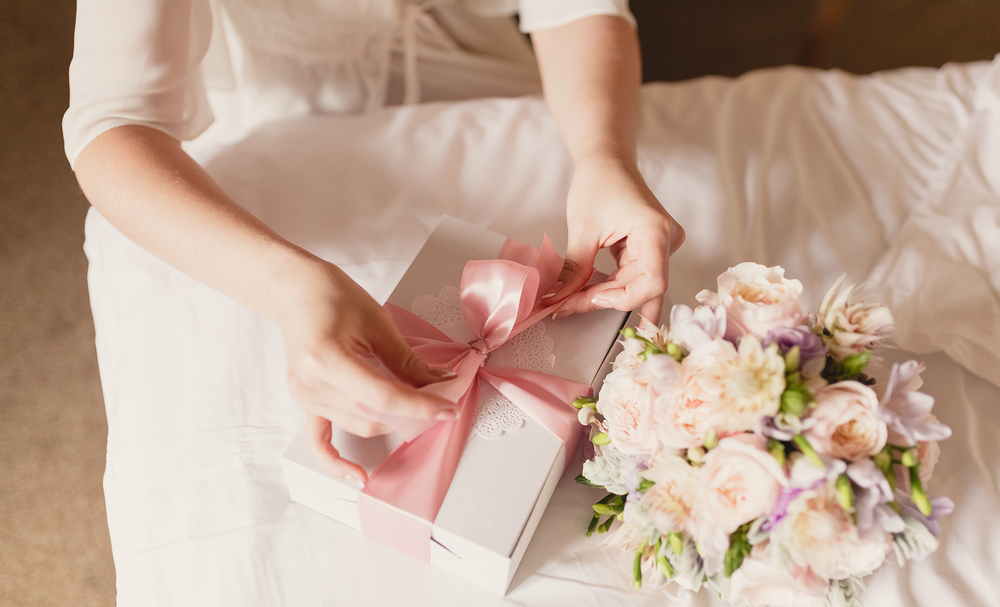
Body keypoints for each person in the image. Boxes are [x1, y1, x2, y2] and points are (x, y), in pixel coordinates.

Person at [64, 0, 684, 483]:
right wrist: (289, 286)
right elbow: (111, 121)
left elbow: (572, 9)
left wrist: (605, 157)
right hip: (281, 144)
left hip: (515, 100)